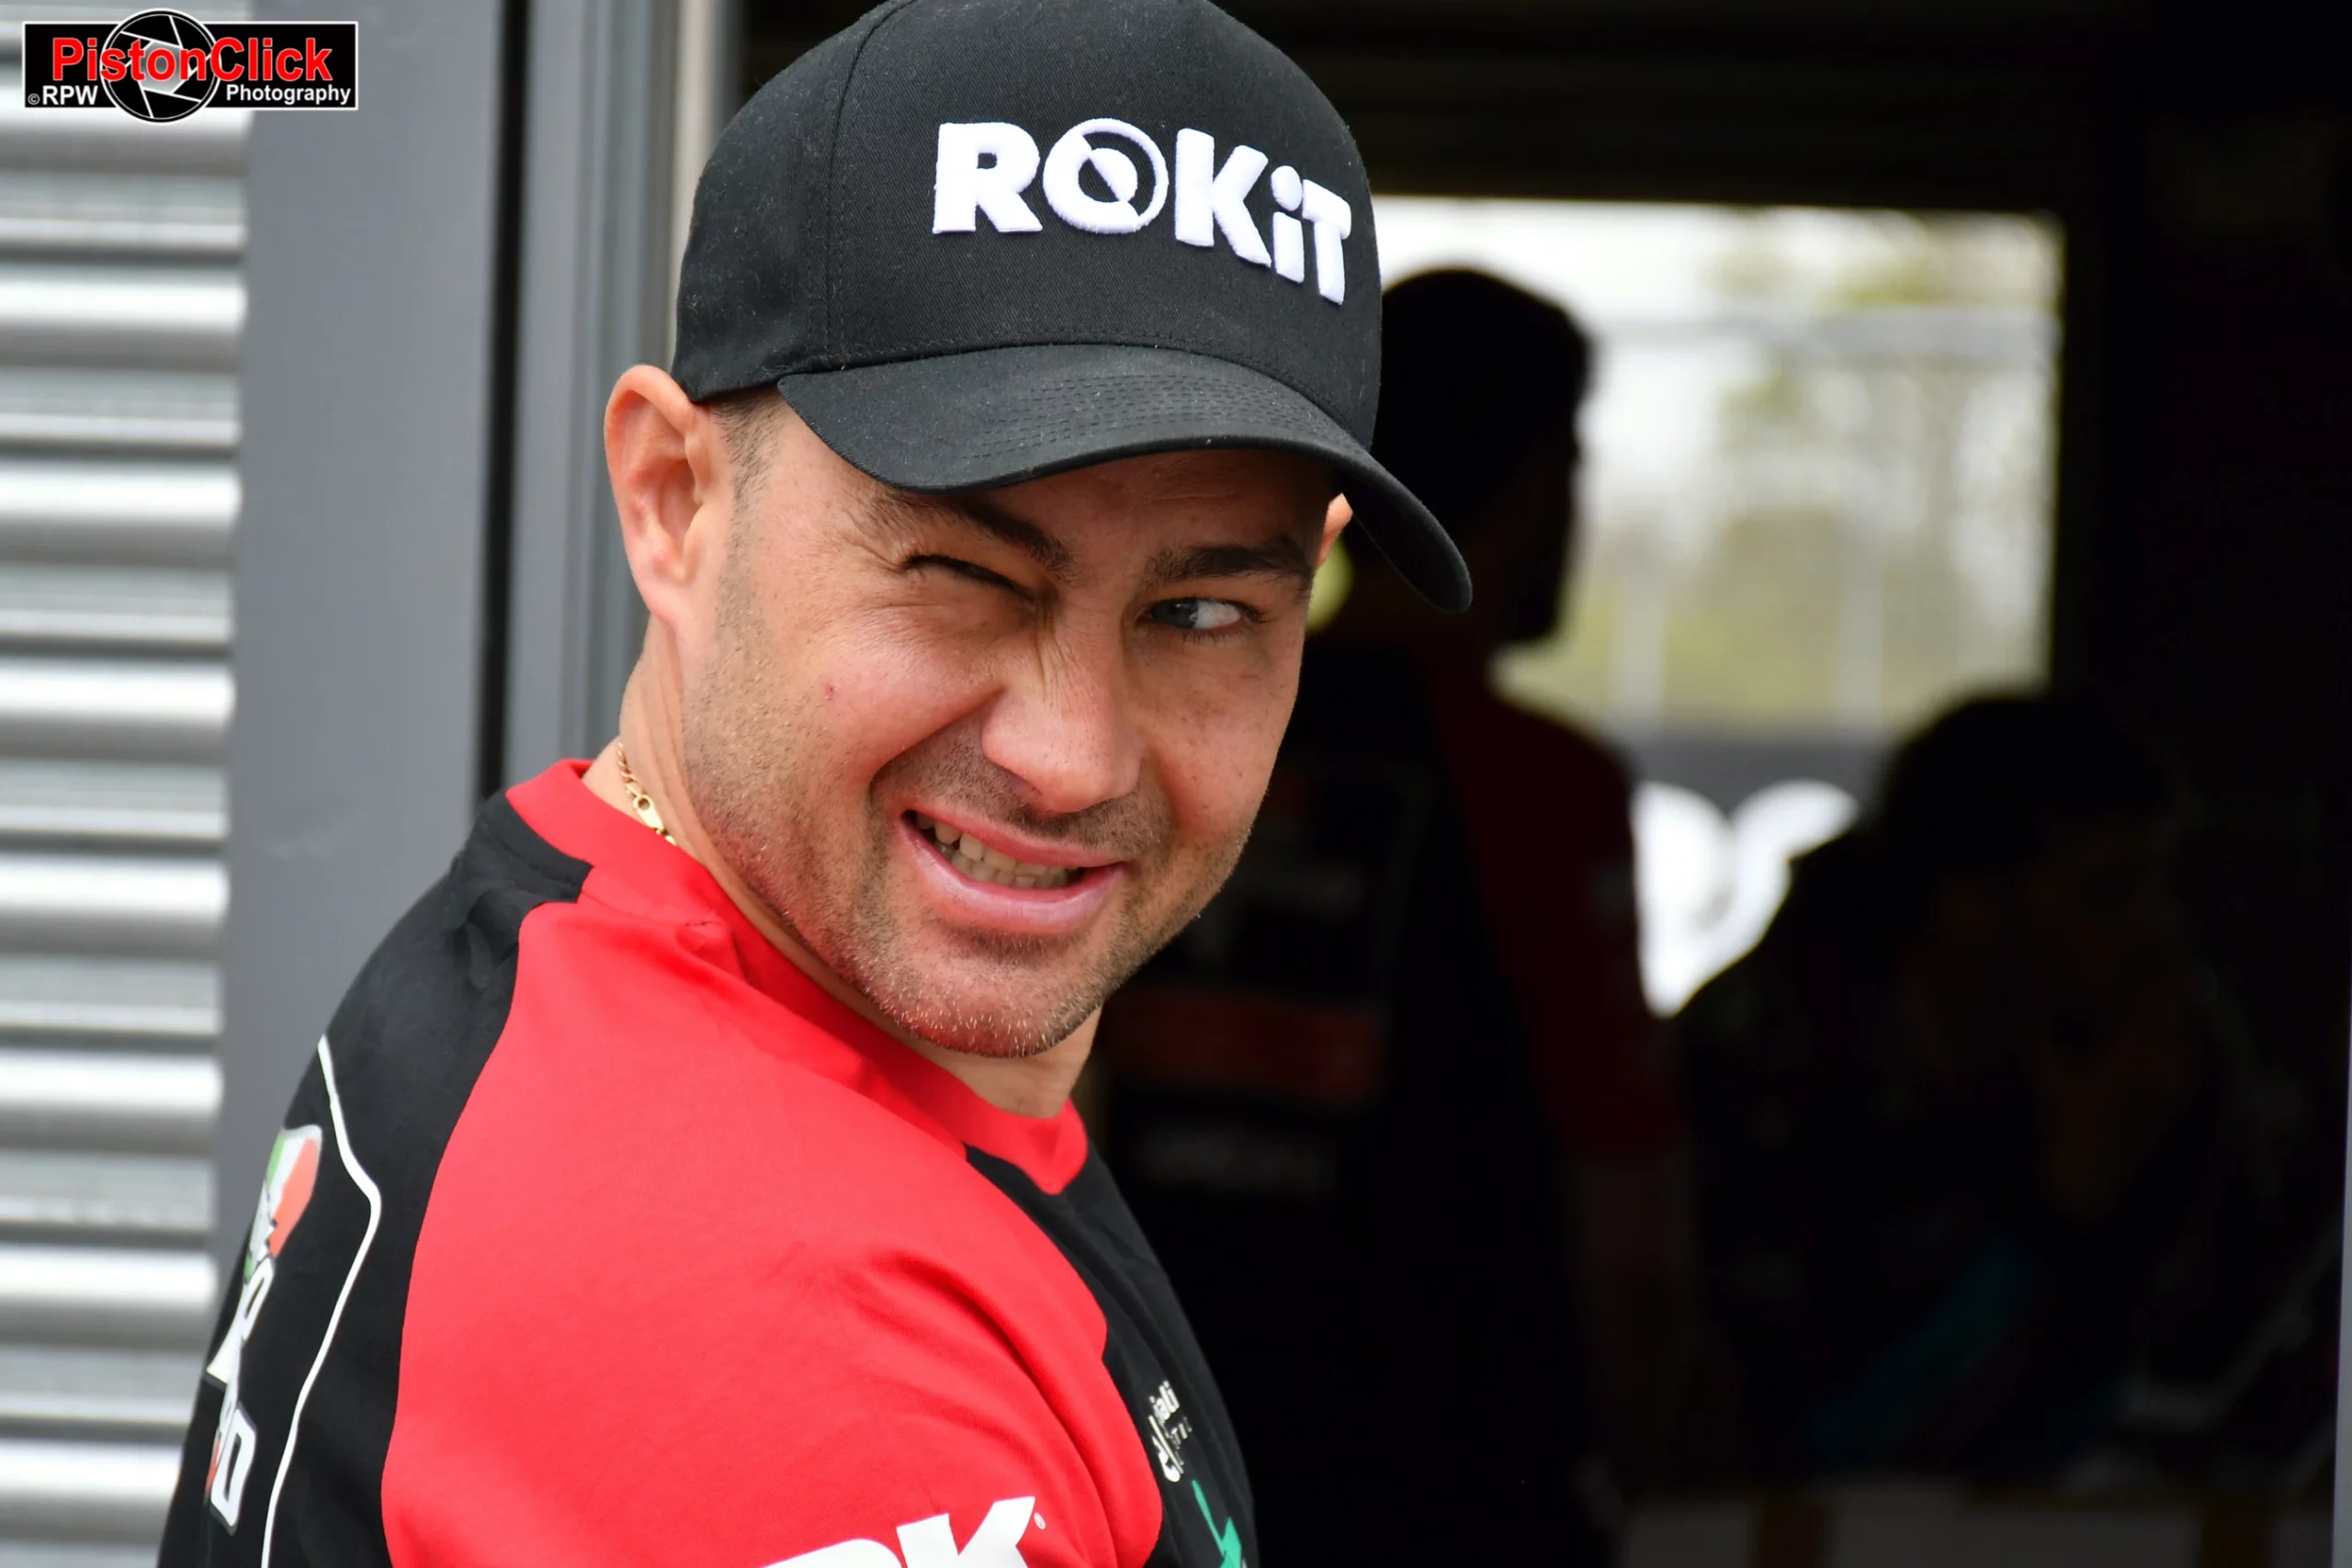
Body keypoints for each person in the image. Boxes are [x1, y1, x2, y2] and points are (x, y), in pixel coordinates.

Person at [155, 5, 1476, 1563]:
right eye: (964, 571)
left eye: (1200, 614)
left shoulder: (569, 923)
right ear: (673, 501)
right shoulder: (791, 1337)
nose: (1074, 754)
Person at [1096, 271, 1687, 1565]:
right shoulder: (1537, 785)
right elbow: (1624, 1208)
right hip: (1455, 1476)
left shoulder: (1165, 724)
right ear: (1538, 480)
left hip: (1154, 1443)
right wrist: (1656, 1481)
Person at [1675, 694, 2247, 1483]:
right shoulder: (1763, 1065)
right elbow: (1793, 1463)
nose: (2159, 932)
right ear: (1968, 903)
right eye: (2107, 894)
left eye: (2159, 887)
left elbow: (2183, 1391)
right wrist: (2062, 1213)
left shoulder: (2150, 1058)